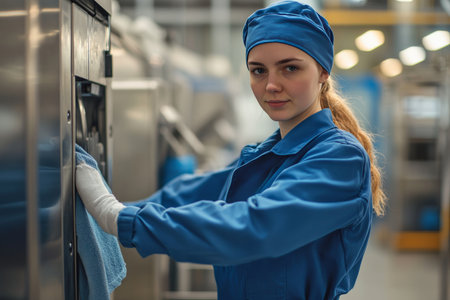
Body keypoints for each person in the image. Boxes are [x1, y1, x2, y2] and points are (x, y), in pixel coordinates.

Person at [76, 1, 386, 299]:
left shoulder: (340, 157)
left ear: (322, 73)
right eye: (258, 70)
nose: (271, 85)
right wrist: (114, 208)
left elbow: (255, 226)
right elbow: (195, 192)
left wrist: (122, 219)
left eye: (289, 68)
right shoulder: (267, 155)